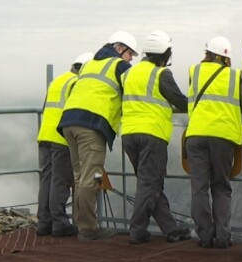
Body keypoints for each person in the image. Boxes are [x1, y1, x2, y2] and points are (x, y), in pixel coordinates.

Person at [59, 31, 138, 242]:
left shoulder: (89, 64)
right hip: (91, 124)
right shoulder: (119, 66)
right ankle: (88, 228)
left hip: (69, 121)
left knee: (78, 176)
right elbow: (133, 91)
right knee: (90, 177)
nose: (131, 59)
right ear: (120, 48)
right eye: (131, 54)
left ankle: (80, 223)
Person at [120, 30, 191, 245]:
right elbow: (180, 102)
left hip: (129, 134)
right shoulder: (161, 75)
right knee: (149, 184)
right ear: (165, 54)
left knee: (149, 183)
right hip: (152, 135)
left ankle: (171, 229)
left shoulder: (128, 74)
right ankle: (137, 230)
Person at [185, 36, 242, 249]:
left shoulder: (195, 71)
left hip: (196, 134)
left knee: (199, 188)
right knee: (221, 187)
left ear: (207, 54)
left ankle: (204, 235)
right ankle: (222, 237)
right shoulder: (235, 76)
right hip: (223, 136)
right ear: (226, 58)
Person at [35, 52, 92, 237]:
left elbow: (46, 108)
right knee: (60, 180)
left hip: (44, 135)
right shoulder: (76, 83)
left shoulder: (57, 81)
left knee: (46, 180)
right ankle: (60, 223)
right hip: (61, 138)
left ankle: (44, 223)